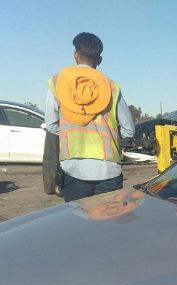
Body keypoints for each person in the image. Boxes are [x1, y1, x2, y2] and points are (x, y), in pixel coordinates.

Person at [45, 32, 134, 202]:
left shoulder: (57, 83)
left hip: (73, 169)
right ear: (99, 60)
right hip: (108, 170)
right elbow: (129, 129)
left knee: (78, 225)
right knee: (108, 225)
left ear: (75, 54)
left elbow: (51, 125)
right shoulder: (112, 87)